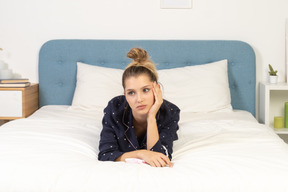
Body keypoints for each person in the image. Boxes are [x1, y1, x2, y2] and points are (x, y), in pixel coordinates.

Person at [98, 48, 180, 167]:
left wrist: (151, 117)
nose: (139, 99)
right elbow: (105, 154)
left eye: (145, 90)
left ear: (157, 89)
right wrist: (141, 154)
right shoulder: (115, 108)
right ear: (125, 94)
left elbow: (159, 156)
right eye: (131, 92)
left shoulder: (170, 112)